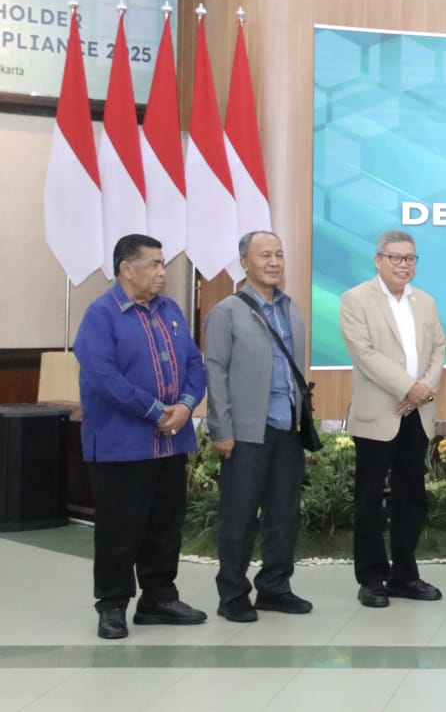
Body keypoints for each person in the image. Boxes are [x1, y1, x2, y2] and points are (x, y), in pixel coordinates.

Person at [74, 233, 208, 640]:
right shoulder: (101, 315)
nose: (162, 272)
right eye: (154, 264)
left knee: (165, 526)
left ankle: (158, 598)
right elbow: (103, 377)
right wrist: (154, 411)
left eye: (163, 264)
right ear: (126, 269)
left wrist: (185, 406)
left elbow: (194, 364)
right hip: (121, 445)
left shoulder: (171, 311)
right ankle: (112, 605)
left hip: (171, 442)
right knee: (120, 530)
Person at [203, 231, 311, 622]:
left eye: (279, 254)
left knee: (283, 515)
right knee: (239, 516)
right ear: (244, 263)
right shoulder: (227, 312)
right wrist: (222, 429)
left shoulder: (291, 308)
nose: (274, 262)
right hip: (247, 431)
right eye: (265, 255)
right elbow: (215, 373)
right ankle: (233, 595)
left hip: (287, 428)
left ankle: (275, 588)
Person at [339, 229, 446, 608]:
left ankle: (405, 575)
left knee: (411, 498)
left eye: (410, 258)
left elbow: (439, 348)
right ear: (378, 260)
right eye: (396, 258)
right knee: (369, 500)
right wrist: (409, 388)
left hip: (417, 414)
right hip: (378, 414)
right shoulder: (355, 299)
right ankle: (371, 578)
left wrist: (424, 389)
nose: (404, 265)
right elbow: (364, 354)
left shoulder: (426, 301)